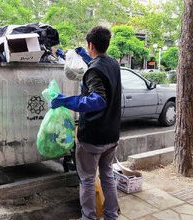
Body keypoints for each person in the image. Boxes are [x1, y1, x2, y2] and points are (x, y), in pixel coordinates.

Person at [51, 26, 121, 220]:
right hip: (112, 135)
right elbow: (101, 75)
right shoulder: (113, 64)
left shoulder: (94, 71)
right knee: (107, 177)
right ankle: (111, 216)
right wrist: (86, 58)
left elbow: (98, 100)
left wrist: (65, 100)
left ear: (90, 44)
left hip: (93, 138)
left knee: (88, 180)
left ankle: (88, 217)